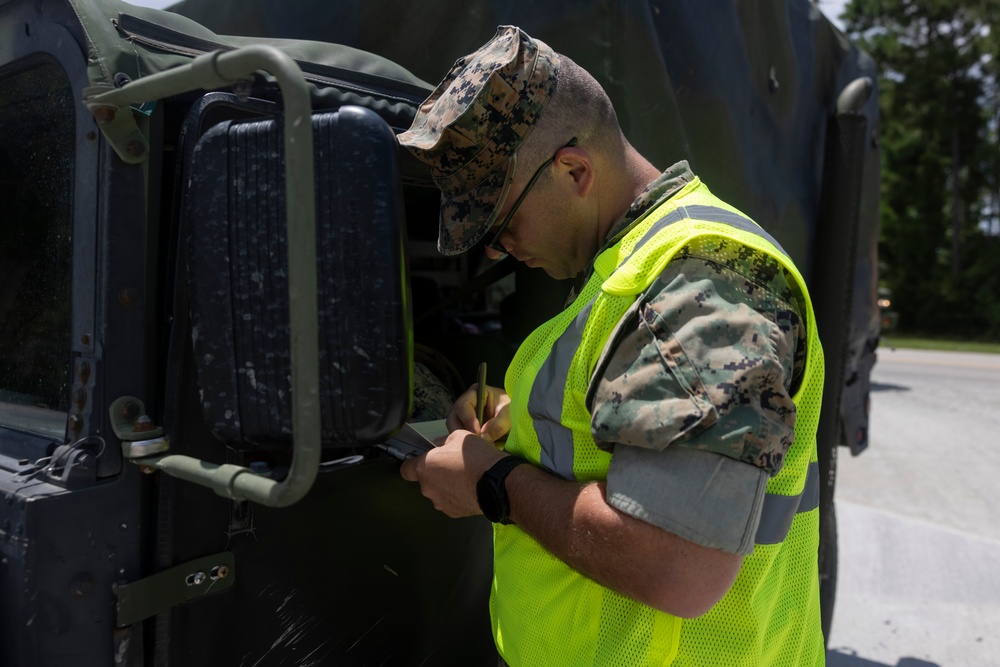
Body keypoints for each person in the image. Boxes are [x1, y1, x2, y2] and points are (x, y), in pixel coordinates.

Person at [396, 25, 826, 666]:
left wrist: (492, 482)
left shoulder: (700, 278)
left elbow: (680, 566)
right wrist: (519, 427)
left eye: (502, 219)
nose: (495, 247)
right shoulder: (636, 264)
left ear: (573, 170)